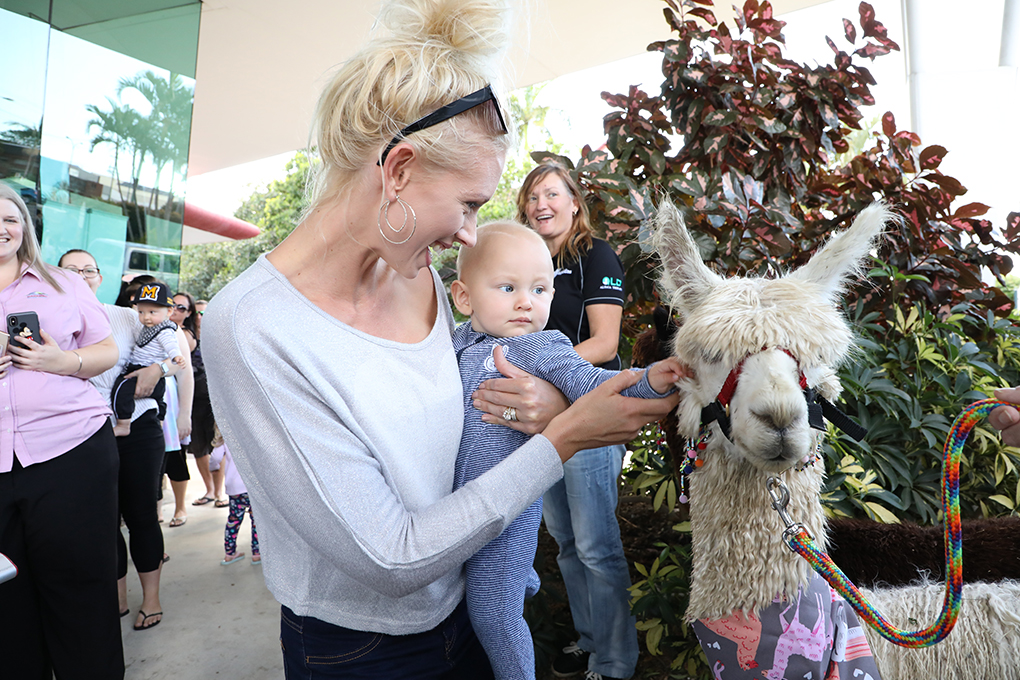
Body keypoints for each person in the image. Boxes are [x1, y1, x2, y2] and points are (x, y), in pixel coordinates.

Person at [201, 1, 678, 677]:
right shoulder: (252, 327)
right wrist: (561, 438)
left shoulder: (415, 276)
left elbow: (461, 394)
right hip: (365, 649)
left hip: (470, 607)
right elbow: (391, 557)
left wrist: (535, 397)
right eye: (468, 206)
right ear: (397, 170)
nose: (469, 236)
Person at [449, 221, 686, 680]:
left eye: (540, 289)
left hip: (506, 513)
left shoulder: (542, 346)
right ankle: (524, 580)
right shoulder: (456, 343)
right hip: (456, 507)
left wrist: (651, 378)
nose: (526, 301)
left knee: (493, 614)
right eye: (507, 287)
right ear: (463, 297)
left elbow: (595, 388)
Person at [517, 162, 638, 680]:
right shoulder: (530, 262)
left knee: (595, 545)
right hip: (544, 423)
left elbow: (606, 344)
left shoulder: (595, 255)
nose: (540, 204)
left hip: (588, 413)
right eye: (531, 196)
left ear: (573, 202)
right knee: (567, 543)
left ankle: (615, 661)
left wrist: (545, 377)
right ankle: (591, 642)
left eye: (551, 193)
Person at [0, 188, 122, 679]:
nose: (1, 227)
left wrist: (63, 362)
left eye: (9, 217)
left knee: (80, 593)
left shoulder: (64, 283)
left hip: (71, 453)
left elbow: (107, 350)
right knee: (7, 603)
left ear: (25, 226)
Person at [58, 252, 188, 633]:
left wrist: (160, 374)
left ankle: (151, 598)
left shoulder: (129, 315)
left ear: (101, 277)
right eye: (71, 270)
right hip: (81, 430)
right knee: (102, 519)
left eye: (89, 270)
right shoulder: (49, 319)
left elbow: (180, 348)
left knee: (141, 512)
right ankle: (116, 597)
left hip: (138, 425)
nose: (81, 276)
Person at [110, 280, 184, 436]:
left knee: (121, 389)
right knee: (159, 400)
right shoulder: (148, 328)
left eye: (152, 312)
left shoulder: (164, 330)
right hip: (152, 373)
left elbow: (171, 345)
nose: (146, 317)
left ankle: (123, 424)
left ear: (169, 312)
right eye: (141, 312)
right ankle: (160, 420)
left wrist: (176, 356)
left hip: (142, 369)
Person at [174, 292, 222, 507]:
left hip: (215, 399)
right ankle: (210, 489)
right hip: (193, 400)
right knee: (199, 445)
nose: (202, 316)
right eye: (199, 312)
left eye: (206, 311)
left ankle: (220, 491)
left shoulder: (218, 337)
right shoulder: (185, 335)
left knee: (217, 445)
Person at [208, 426, 260, 566]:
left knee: (233, 520)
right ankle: (257, 553)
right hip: (252, 486)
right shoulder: (251, 435)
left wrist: (214, 468)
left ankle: (229, 553)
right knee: (257, 520)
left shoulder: (226, 439)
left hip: (234, 489)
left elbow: (215, 457)